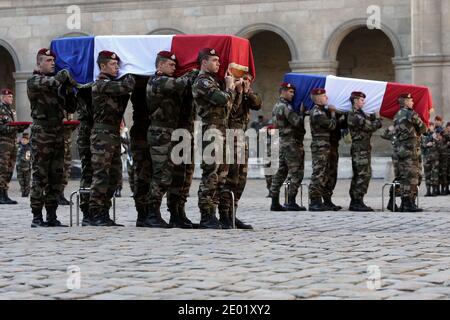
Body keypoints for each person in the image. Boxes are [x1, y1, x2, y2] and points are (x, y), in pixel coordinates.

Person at [146, 51, 198, 228]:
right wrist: (194, 70)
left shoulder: (171, 82)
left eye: (176, 65)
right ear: (160, 65)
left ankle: (177, 213)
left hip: (174, 133)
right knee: (162, 174)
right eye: (171, 64)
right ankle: (152, 214)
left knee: (179, 175)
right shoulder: (158, 81)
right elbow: (180, 84)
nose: (174, 67)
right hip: (161, 133)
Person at [27, 48, 77, 227]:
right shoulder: (34, 80)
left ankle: (52, 215)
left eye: (53, 60)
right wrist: (63, 77)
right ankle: (37, 217)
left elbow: (71, 107)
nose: (52, 63)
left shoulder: (57, 84)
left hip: (57, 133)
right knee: (40, 176)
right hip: (42, 133)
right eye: (48, 60)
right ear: (39, 63)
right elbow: (52, 83)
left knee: (56, 175)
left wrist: (70, 89)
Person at [89, 50, 135, 226]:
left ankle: (104, 212)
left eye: (118, 64)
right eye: (113, 64)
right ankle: (95, 214)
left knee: (115, 176)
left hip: (112, 134)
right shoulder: (101, 84)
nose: (117, 67)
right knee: (101, 175)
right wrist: (130, 69)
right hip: (102, 134)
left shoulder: (111, 82)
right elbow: (127, 86)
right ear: (102, 66)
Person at [192, 48, 235, 229]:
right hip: (211, 129)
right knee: (211, 173)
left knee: (221, 175)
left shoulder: (214, 82)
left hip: (222, 129)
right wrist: (230, 87)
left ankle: (216, 213)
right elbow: (223, 99)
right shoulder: (202, 82)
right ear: (204, 62)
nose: (218, 64)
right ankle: (206, 215)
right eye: (215, 60)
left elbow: (229, 105)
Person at [219, 73, 261, 229]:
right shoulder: (230, 93)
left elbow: (257, 104)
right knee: (229, 178)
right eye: (243, 79)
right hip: (229, 137)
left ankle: (233, 214)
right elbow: (229, 111)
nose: (245, 82)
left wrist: (247, 91)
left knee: (240, 180)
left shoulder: (246, 95)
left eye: (249, 80)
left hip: (241, 138)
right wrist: (235, 91)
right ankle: (224, 215)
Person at [269, 82, 306, 212]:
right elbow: (297, 122)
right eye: (290, 92)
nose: (293, 94)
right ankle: (291, 201)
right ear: (283, 91)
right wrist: (302, 112)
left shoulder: (276, 106)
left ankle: (274, 201)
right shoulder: (286, 107)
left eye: (293, 92)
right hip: (291, 143)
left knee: (281, 172)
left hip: (283, 142)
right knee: (296, 172)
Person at [347, 91, 382, 211]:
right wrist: (377, 118)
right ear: (355, 101)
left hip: (363, 148)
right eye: (362, 100)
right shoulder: (355, 115)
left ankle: (357, 201)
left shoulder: (360, 114)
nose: (364, 102)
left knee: (361, 174)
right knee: (362, 175)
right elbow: (371, 126)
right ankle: (357, 201)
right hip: (360, 149)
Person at [393, 93, 426, 212]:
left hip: (401, 150)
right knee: (412, 177)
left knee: (404, 177)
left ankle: (404, 203)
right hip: (411, 150)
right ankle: (409, 203)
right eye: (411, 101)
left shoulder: (396, 115)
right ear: (405, 102)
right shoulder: (411, 114)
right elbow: (423, 128)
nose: (412, 103)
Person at [308, 88, 338, 211]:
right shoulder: (317, 112)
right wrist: (333, 114)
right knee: (319, 173)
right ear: (318, 98)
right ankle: (314, 201)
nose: (327, 98)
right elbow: (331, 125)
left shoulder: (321, 111)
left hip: (325, 145)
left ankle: (326, 200)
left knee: (326, 173)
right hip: (320, 146)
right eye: (324, 96)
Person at [0, 88, 22, 205]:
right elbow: (1, 128)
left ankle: (5, 194)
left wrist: (19, 128)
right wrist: (15, 127)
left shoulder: (12, 111)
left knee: (9, 169)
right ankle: (0, 194)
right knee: (2, 169)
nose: (11, 98)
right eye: (9, 97)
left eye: (12, 97)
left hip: (12, 143)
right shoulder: (0, 110)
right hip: (3, 144)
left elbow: (13, 125)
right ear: (2, 97)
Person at [421, 122, 440, 197]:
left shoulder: (436, 135)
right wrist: (426, 145)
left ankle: (434, 190)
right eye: (429, 126)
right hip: (426, 158)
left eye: (432, 126)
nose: (431, 127)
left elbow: (440, 146)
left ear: (434, 127)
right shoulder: (423, 135)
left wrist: (435, 140)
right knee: (427, 174)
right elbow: (420, 145)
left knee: (434, 174)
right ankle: (428, 191)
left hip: (434, 158)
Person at [16, 132, 32, 198]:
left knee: (27, 181)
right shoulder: (19, 146)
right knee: (21, 181)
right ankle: (23, 192)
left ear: (28, 140)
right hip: (19, 167)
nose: (23, 141)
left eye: (25, 140)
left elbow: (28, 158)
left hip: (27, 168)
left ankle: (26, 193)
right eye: (22, 139)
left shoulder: (29, 148)